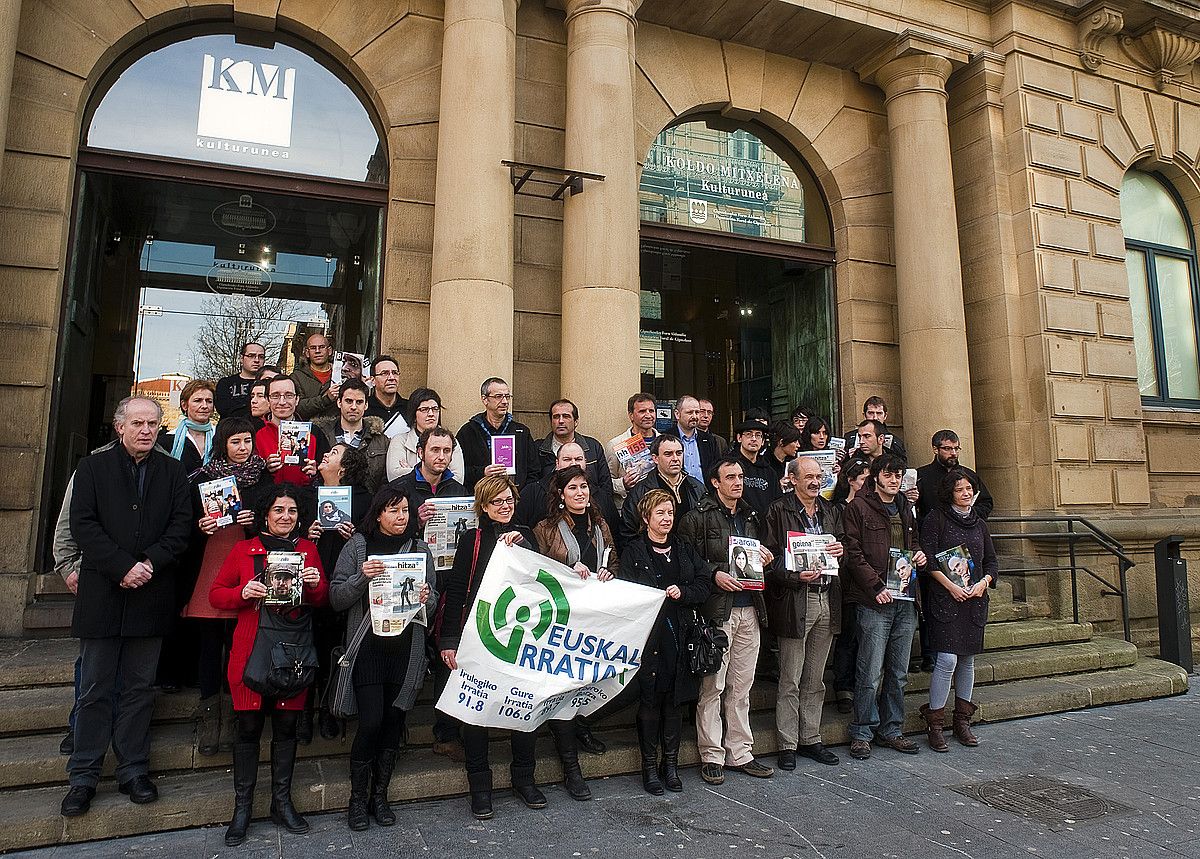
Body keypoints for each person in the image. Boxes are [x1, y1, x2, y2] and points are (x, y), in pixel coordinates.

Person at [61, 396, 192, 817]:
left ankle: (134, 769)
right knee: (96, 688)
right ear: (120, 427)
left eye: (153, 423)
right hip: (103, 592)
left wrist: (150, 562)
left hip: (151, 593)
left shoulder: (173, 472)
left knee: (138, 689)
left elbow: (180, 526)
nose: (146, 430)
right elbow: (83, 524)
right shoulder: (92, 468)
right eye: (137, 423)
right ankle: (83, 775)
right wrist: (122, 566)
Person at [208, 485, 328, 845]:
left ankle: (281, 802)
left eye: (292, 511)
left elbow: (322, 598)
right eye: (279, 510)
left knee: (287, 726)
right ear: (266, 514)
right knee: (247, 728)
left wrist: (315, 583)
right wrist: (241, 593)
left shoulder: (307, 549)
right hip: (250, 651)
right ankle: (242, 808)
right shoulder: (245, 550)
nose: (285, 517)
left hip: (292, 654)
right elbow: (216, 594)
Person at [329, 485, 437, 830]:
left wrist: (425, 597)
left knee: (393, 723)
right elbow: (336, 597)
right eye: (393, 510)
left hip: (405, 650)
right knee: (371, 721)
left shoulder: (420, 551)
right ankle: (357, 800)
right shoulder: (357, 547)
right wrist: (363, 578)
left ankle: (380, 796)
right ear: (378, 514)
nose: (401, 517)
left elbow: (432, 602)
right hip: (368, 650)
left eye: (405, 510)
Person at [437, 475, 538, 819]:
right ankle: (480, 787)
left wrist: (523, 546)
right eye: (497, 502)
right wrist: (449, 640)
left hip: (520, 638)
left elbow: (542, 581)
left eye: (509, 500)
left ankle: (524, 778)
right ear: (483, 506)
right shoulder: (472, 539)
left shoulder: (527, 536)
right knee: (477, 714)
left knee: (523, 710)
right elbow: (455, 591)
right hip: (477, 637)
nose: (505, 506)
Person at [677, 459, 775, 785]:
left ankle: (740, 752)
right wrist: (714, 572)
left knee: (742, 687)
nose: (738, 482)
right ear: (715, 483)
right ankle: (711, 754)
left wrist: (766, 558)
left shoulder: (750, 516)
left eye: (741, 476)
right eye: (730, 477)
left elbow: (758, 560)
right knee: (712, 687)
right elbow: (686, 562)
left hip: (750, 608)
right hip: (716, 612)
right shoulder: (696, 518)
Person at [184, 417, 272, 757]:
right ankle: (210, 713)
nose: (243, 448)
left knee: (240, 642)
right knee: (210, 641)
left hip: (247, 563)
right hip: (211, 561)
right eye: (236, 442)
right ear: (224, 444)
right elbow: (185, 522)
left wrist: (256, 523)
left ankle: (238, 711)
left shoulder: (264, 477)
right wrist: (200, 525)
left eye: (247, 441)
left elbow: (277, 519)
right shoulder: (204, 477)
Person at [619, 490, 713, 795]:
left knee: (674, 702)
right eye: (660, 513)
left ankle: (670, 766)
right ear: (646, 518)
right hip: (650, 639)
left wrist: (683, 593)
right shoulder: (634, 551)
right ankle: (649, 767)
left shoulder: (684, 548)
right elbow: (626, 594)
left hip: (681, 636)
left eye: (670, 513)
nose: (667, 519)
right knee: (650, 702)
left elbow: (703, 584)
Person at [532, 464, 619, 768]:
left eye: (584, 487)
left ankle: (582, 723)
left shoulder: (600, 525)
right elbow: (538, 574)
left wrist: (609, 571)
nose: (580, 493)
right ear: (560, 494)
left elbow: (614, 560)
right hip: (562, 619)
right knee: (564, 685)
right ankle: (569, 762)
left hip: (596, 616)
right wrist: (566, 572)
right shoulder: (545, 529)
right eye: (573, 488)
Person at [842, 454, 927, 761]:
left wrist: (918, 553)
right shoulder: (858, 507)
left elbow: (914, 539)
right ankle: (862, 732)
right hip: (873, 600)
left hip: (905, 598)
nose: (894, 479)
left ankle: (892, 729)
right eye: (889, 475)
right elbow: (853, 553)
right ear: (876, 476)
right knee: (869, 671)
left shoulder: (905, 505)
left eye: (898, 475)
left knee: (899, 671)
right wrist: (875, 587)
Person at [764, 456, 845, 769]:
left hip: (827, 596)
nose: (815, 481)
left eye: (819, 476)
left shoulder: (829, 510)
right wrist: (797, 576)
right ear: (793, 479)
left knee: (816, 678)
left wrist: (842, 550)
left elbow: (843, 548)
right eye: (809, 476)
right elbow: (768, 561)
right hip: (797, 600)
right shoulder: (778, 510)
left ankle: (811, 738)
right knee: (790, 678)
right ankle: (787, 743)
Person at [918, 469, 998, 752]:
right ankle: (935, 723)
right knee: (947, 660)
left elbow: (991, 562)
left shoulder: (979, 523)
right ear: (949, 493)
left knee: (967, 660)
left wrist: (984, 583)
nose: (966, 494)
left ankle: (962, 721)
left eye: (969, 489)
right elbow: (926, 561)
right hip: (946, 599)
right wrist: (950, 587)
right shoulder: (936, 519)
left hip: (974, 599)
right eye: (960, 489)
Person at [306, 442, 373, 741]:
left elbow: (372, 537)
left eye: (333, 454)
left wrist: (355, 532)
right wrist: (307, 534)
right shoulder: (309, 495)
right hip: (312, 581)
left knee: (336, 648)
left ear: (343, 468)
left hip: (344, 584)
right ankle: (304, 713)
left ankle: (328, 710)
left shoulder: (363, 499)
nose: (326, 455)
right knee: (311, 648)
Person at [156, 378, 218, 690]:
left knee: (201, 599)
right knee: (176, 598)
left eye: (208, 401)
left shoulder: (221, 440)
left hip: (212, 530)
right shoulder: (167, 442)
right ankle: (169, 673)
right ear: (185, 405)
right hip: (179, 528)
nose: (204, 406)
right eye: (198, 401)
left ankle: (195, 671)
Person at [828, 458, 871, 714]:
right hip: (844, 578)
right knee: (847, 633)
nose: (867, 484)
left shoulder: (873, 507)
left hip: (868, 579)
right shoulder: (837, 509)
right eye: (863, 479)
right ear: (851, 481)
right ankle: (843, 687)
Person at [620, 435, 707, 547]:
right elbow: (628, 533)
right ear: (655, 458)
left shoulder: (697, 487)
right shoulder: (640, 492)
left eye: (679, 453)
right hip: (655, 558)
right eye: (668, 454)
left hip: (693, 557)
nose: (675, 458)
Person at [456, 377, 538, 492]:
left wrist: (524, 495)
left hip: (516, 500)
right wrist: (483, 472)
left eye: (507, 396)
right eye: (498, 396)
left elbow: (534, 470)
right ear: (485, 399)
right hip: (481, 498)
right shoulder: (468, 431)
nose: (504, 401)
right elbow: (458, 470)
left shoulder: (521, 432)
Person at [313, 378, 389, 493]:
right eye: (348, 401)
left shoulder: (381, 440)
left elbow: (385, 481)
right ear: (339, 402)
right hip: (327, 501)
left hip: (368, 505)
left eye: (359, 402)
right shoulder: (321, 434)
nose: (353, 407)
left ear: (366, 405)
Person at [256, 375, 330, 486]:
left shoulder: (314, 432)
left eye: (288, 395)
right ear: (267, 400)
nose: (282, 402)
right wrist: (265, 469)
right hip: (270, 499)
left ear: (297, 400)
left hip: (306, 498)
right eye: (275, 396)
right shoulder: (256, 434)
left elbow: (330, 472)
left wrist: (316, 472)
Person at [385, 387, 466, 482]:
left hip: (441, 495)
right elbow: (394, 476)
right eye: (424, 409)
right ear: (414, 414)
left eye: (435, 409)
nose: (431, 414)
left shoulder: (451, 441)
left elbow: (458, 478)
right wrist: (441, 474)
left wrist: (412, 471)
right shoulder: (400, 441)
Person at [916, 430, 994, 525]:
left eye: (956, 448)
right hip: (934, 531)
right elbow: (912, 508)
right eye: (947, 448)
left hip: (966, 530)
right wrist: (927, 524)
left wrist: (969, 516)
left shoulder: (969, 474)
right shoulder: (922, 475)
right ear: (935, 449)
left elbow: (986, 503)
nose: (953, 453)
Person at [534, 399, 612, 492]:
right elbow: (533, 487)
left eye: (566, 416)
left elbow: (605, 485)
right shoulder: (538, 449)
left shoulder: (593, 447)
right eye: (556, 417)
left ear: (576, 422)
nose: (561, 421)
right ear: (551, 421)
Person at [391, 426, 466, 514]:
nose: (441, 457)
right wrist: (417, 522)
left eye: (446, 451)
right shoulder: (398, 489)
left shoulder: (459, 491)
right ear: (421, 453)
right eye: (435, 450)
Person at [605, 392, 659, 500]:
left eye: (651, 411)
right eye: (642, 411)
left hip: (659, 506)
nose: (648, 415)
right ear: (631, 415)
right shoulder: (616, 444)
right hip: (630, 506)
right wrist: (623, 483)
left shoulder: (664, 442)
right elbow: (606, 482)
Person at [661, 395, 719, 483]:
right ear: (677, 414)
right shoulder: (665, 438)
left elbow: (715, 469)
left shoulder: (709, 439)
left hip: (704, 493)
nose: (695, 416)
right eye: (690, 412)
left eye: (697, 412)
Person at [730, 419, 778, 517]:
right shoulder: (730, 466)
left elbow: (776, 501)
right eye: (749, 434)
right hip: (738, 522)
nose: (753, 439)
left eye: (758, 435)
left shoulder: (769, 471)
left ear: (763, 441)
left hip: (765, 524)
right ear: (739, 438)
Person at [843, 397, 907, 461]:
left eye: (879, 413)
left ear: (885, 416)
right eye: (871, 413)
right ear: (864, 415)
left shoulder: (895, 442)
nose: (875, 417)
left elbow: (902, 466)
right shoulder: (849, 438)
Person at [293, 332, 340, 420]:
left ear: (329, 351)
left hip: (336, 429)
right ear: (307, 352)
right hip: (308, 430)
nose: (317, 351)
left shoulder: (341, 375)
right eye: (313, 348)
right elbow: (296, 407)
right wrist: (325, 399)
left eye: (322, 347)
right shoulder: (297, 377)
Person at [215, 342, 267, 419]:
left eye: (261, 357)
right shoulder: (225, 383)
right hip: (231, 428)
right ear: (241, 359)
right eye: (251, 356)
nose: (257, 360)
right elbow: (223, 409)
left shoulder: (268, 384)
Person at [365, 355, 409, 429]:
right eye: (384, 373)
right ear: (373, 380)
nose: (391, 378)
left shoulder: (409, 408)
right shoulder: (364, 408)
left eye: (395, 373)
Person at [765, 421, 802, 489]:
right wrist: (777, 485)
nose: (798, 445)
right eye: (794, 441)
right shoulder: (764, 463)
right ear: (781, 442)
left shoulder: (794, 461)